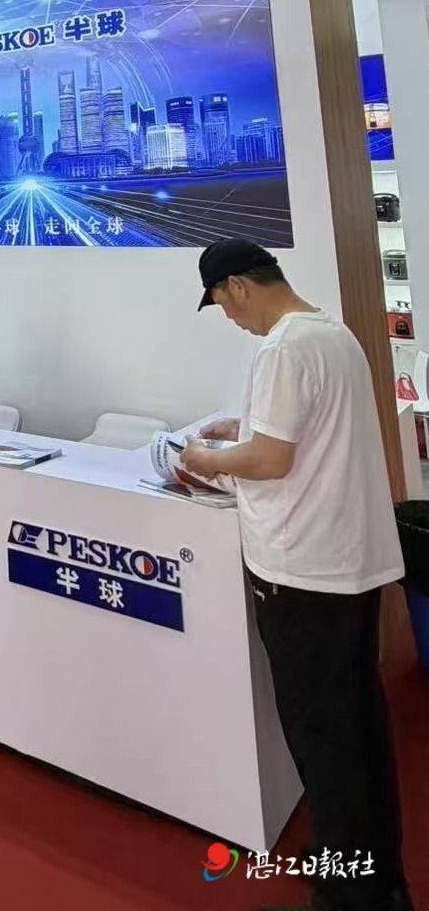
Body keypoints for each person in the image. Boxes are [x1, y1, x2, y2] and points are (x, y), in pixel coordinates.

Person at [181, 240, 410, 911]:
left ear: (237, 286)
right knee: (358, 726)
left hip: (300, 569)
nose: (230, 319)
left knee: (321, 736)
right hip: (347, 565)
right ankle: (374, 872)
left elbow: (272, 460)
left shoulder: (282, 348)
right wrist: (244, 427)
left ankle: (347, 894)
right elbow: (299, 434)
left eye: (222, 305)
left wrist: (206, 458)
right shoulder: (332, 334)